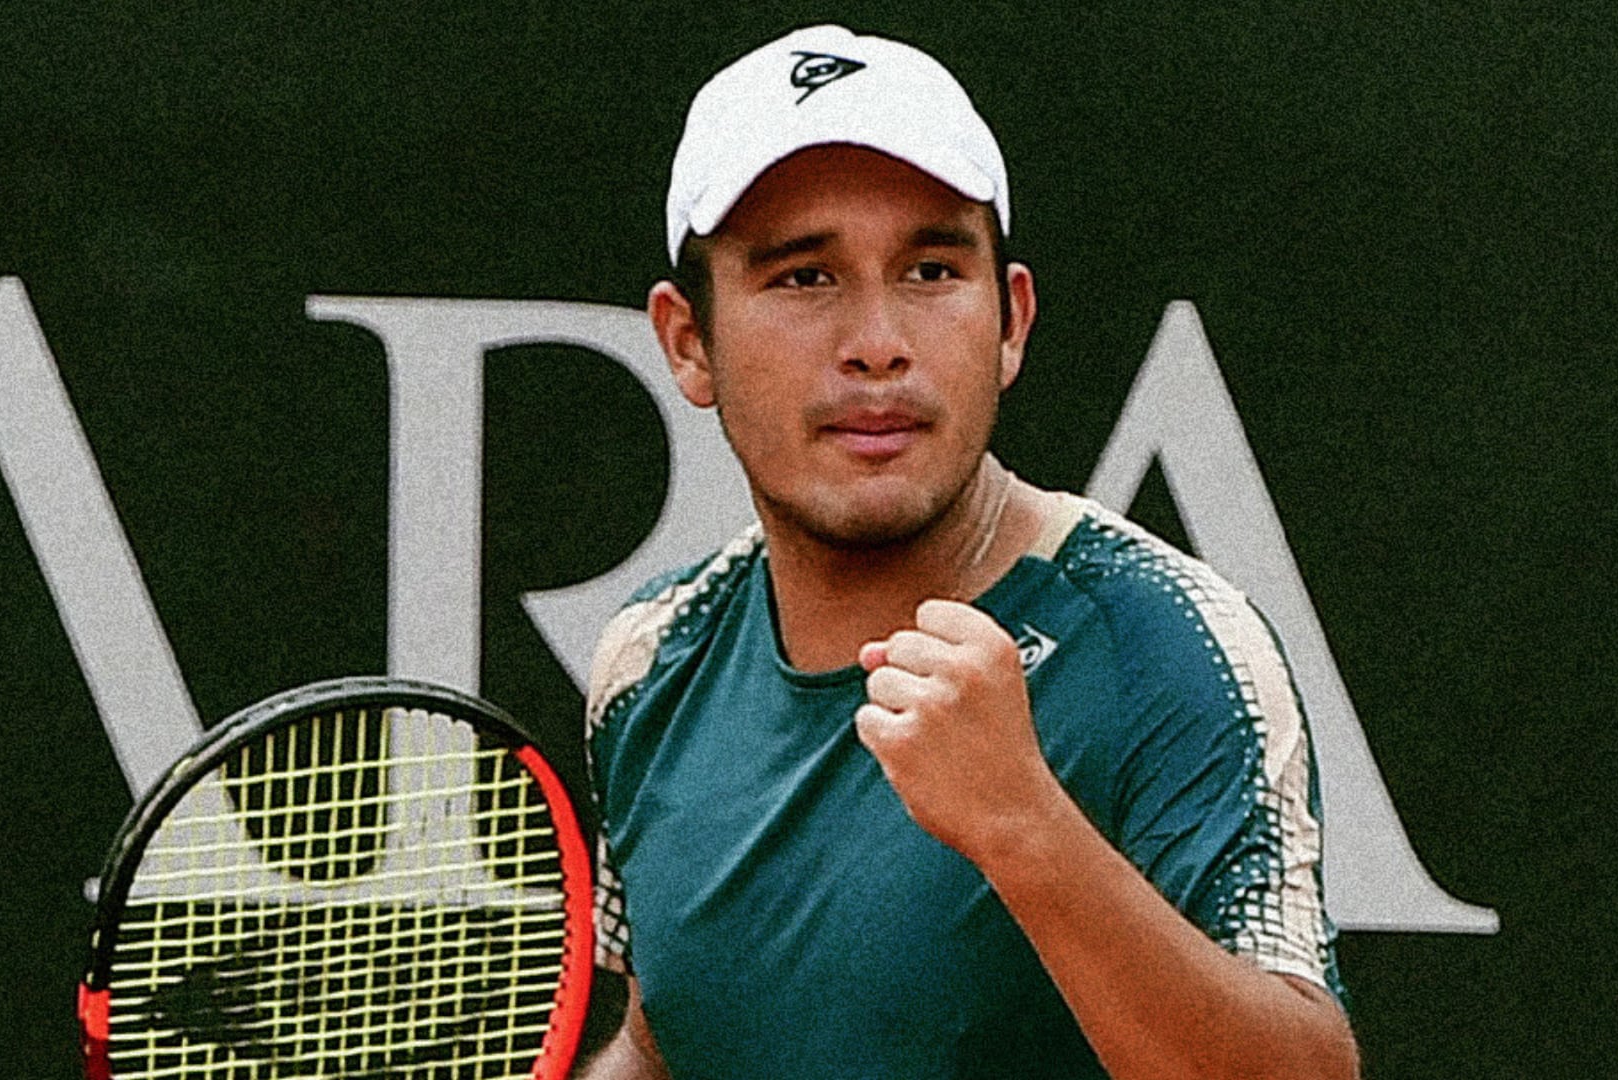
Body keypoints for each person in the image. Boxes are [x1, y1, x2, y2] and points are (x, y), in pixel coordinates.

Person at [577, 24, 1358, 1080]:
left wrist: (1024, 826)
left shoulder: (1168, 646)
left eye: (932, 268)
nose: (877, 340)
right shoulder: (649, 665)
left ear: (1011, 320)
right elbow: (671, 1037)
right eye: (805, 277)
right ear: (688, 340)